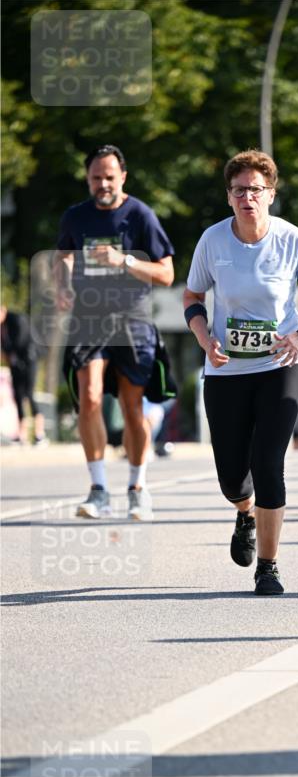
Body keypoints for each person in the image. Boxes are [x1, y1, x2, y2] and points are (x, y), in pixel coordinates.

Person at [183, 149, 298, 596]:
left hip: (282, 365)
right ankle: (244, 512)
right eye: (239, 190)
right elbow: (192, 296)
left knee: (269, 463)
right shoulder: (213, 241)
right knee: (232, 476)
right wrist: (202, 337)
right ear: (229, 197)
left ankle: (268, 567)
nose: (247, 196)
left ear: (270, 194)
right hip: (226, 369)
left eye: (255, 189)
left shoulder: (292, 240)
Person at [54, 144, 175, 521]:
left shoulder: (140, 215)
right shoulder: (75, 217)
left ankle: (138, 487)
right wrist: (62, 284)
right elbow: (63, 256)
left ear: (122, 176)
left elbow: (167, 273)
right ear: (87, 179)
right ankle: (98, 488)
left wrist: (124, 260)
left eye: (109, 177)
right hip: (88, 321)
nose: (103, 184)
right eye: (96, 178)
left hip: (132, 322)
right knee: (88, 399)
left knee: (131, 406)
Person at [0, 304, 47, 444]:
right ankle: (22, 434)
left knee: (29, 394)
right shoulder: (2, 326)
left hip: (29, 360)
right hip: (15, 363)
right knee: (18, 396)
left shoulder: (17, 319)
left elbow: (19, 341)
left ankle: (40, 433)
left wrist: (7, 353)